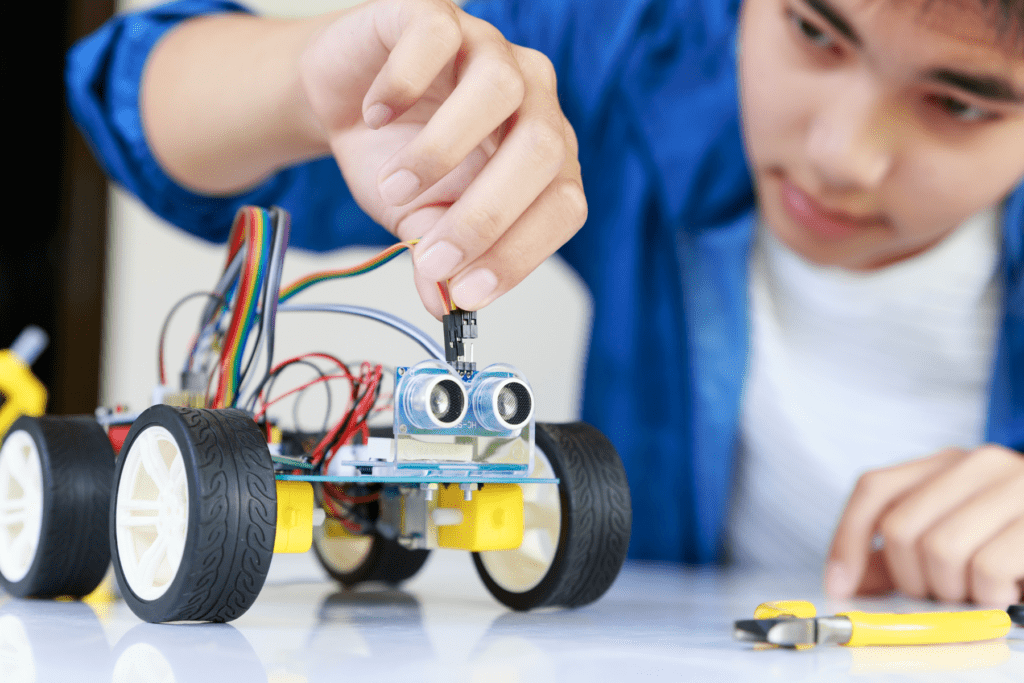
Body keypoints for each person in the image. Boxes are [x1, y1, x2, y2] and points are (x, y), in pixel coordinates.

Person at [66, 0, 1024, 606]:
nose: (840, 156)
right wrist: (305, 85)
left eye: (963, 103)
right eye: (815, 31)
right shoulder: (642, 55)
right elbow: (131, 87)